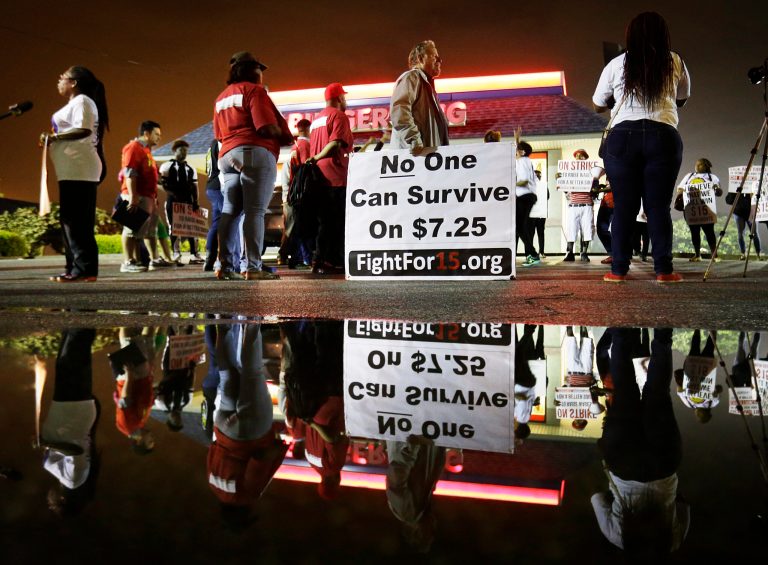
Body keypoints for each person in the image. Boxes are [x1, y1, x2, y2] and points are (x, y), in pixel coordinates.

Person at [593, 12, 690, 283]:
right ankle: (664, 271)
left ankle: (618, 271)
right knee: (658, 207)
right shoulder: (674, 60)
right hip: (663, 134)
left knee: (624, 205)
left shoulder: (616, 63)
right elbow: (682, 97)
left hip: (623, 135)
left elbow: (598, 102)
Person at [592, 327, 689, 556]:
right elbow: (597, 499)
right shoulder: (617, 537)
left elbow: (683, 505)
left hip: (663, 464)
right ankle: (621, 331)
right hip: (623, 462)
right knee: (625, 391)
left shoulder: (673, 542)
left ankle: (663, 334)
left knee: (658, 392)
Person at [213, 51, 294, 281]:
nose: (261, 73)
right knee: (255, 211)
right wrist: (283, 134)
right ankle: (253, 267)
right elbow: (265, 126)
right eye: (259, 68)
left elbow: (218, 134)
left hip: (227, 155)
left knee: (230, 210)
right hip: (254, 151)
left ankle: (225, 266)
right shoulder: (254, 90)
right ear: (251, 70)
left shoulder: (221, 98)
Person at [41, 66, 108, 283]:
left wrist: (55, 138)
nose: (59, 81)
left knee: (76, 221)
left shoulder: (83, 102)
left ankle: (84, 269)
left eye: (63, 77)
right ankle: (74, 268)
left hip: (80, 168)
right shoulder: (76, 103)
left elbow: (84, 129)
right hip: (71, 168)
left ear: (74, 82)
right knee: (71, 220)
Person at [306, 83, 355, 275]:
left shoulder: (317, 119)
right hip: (336, 175)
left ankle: (319, 259)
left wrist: (316, 160)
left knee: (324, 221)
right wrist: (318, 157)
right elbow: (335, 143)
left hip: (318, 177)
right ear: (339, 98)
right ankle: (331, 260)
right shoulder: (339, 116)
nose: (346, 100)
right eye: (344, 97)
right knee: (337, 221)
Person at [119, 121, 164, 273]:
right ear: (146, 133)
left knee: (150, 231)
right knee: (131, 228)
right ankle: (128, 261)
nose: (159, 138)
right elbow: (130, 173)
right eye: (156, 134)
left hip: (149, 197)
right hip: (137, 196)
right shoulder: (133, 148)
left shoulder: (146, 151)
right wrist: (132, 197)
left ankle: (154, 260)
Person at [390, 40, 449, 154]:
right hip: (414, 158)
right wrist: (413, 139)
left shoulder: (426, 86)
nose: (439, 61)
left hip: (425, 160)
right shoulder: (412, 77)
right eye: (435, 57)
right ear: (421, 58)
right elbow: (400, 109)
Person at [159, 139, 205, 265]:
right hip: (172, 201)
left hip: (188, 201)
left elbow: (195, 186)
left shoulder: (190, 168)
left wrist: (196, 201)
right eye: (181, 150)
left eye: (186, 150)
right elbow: (162, 183)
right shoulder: (166, 166)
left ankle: (194, 254)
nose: (184, 153)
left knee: (192, 228)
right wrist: (172, 194)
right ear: (175, 151)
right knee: (174, 227)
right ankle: (176, 253)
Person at [279, 118, 313, 268]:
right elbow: (307, 168)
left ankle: (292, 257)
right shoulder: (305, 145)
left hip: (291, 194)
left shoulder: (295, 147)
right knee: (297, 227)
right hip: (299, 194)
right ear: (307, 129)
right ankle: (295, 257)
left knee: (293, 227)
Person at [677, 158, 721, 262]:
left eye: (699, 164)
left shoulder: (712, 177)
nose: (696, 166)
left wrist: (717, 189)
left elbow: (719, 193)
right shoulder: (689, 176)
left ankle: (715, 255)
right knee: (694, 233)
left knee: (710, 233)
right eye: (696, 164)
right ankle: (697, 255)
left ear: (706, 166)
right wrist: (682, 192)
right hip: (692, 209)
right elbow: (680, 188)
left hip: (706, 210)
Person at [563, 149, 596, 262]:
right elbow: (564, 189)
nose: (579, 158)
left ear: (585, 159)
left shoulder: (592, 173)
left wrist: (594, 183)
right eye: (577, 156)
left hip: (586, 204)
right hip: (573, 204)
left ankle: (584, 253)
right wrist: (560, 180)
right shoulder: (569, 172)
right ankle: (570, 253)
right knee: (571, 229)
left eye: (582, 156)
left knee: (587, 229)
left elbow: (595, 189)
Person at [515, 130, 541, 267]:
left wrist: (509, 184)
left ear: (522, 152)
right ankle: (532, 254)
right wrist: (518, 139)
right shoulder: (525, 160)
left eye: (517, 150)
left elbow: (523, 180)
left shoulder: (523, 161)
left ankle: (533, 254)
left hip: (524, 196)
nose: (515, 152)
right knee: (520, 226)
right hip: (527, 196)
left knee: (519, 226)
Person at [530, 169, 549, 258]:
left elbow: (547, 196)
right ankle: (531, 252)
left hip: (541, 213)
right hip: (532, 213)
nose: (538, 177)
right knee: (531, 233)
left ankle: (541, 251)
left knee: (541, 233)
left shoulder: (544, 186)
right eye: (537, 176)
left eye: (539, 176)